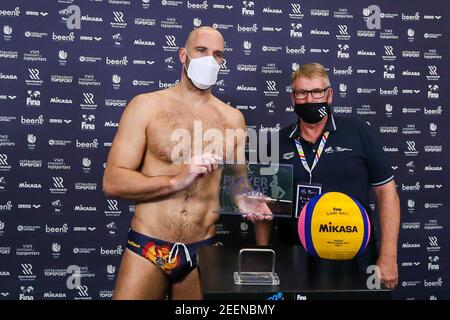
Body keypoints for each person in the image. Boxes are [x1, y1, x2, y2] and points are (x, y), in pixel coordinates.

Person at [102, 26, 271, 300]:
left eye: (217, 54)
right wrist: (175, 180)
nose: (209, 59)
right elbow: (112, 182)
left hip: (202, 251)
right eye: (201, 51)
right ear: (183, 55)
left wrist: (244, 200)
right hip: (149, 247)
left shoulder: (233, 119)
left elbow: (238, 182)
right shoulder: (146, 106)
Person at [254, 63, 400, 289]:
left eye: (317, 92)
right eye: (301, 93)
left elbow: (387, 193)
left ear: (329, 95)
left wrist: (389, 256)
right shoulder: (275, 142)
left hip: (355, 254)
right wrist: (263, 254)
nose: (309, 100)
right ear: (293, 98)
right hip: (294, 255)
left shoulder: (359, 132)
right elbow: (264, 205)